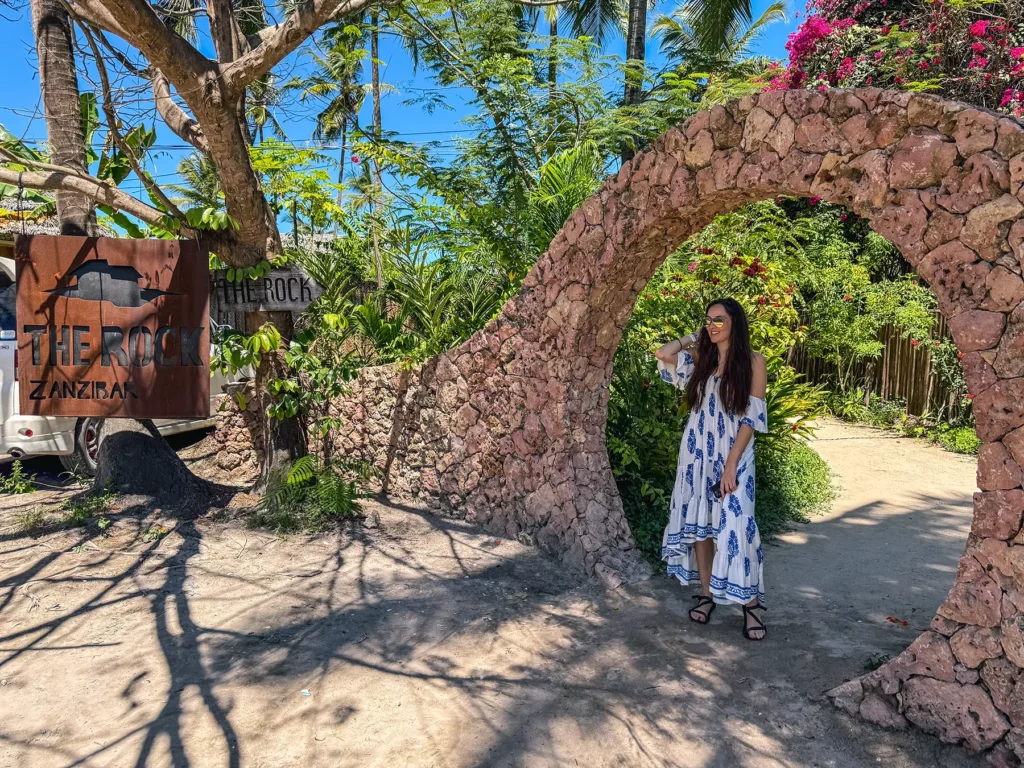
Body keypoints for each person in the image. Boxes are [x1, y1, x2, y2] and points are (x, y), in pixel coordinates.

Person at [653, 298, 769, 641]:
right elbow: (662, 354)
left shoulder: (753, 362)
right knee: (701, 525)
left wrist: (731, 463)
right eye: (708, 320)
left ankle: (751, 605)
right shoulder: (701, 360)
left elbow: (752, 418)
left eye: (719, 320)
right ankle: (706, 594)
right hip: (697, 455)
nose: (712, 325)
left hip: (733, 455)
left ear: (736, 322)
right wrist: (694, 336)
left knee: (737, 525)